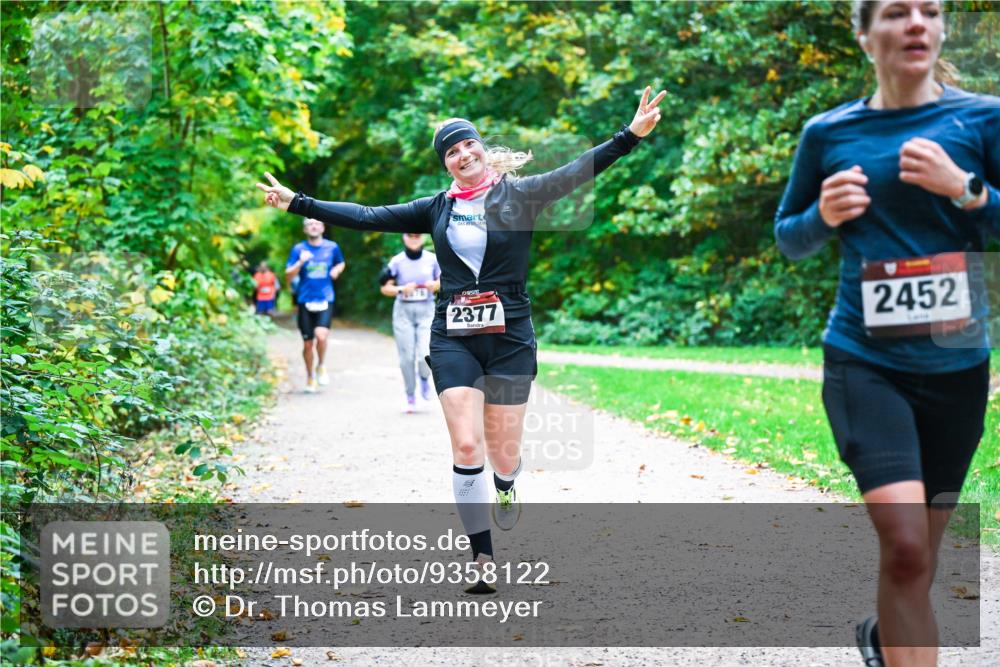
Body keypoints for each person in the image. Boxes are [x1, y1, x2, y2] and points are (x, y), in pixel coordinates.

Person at [258, 86, 664, 592]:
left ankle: (508, 485)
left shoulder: (522, 194)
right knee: (467, 443)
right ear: (446, 164)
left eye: (467, 144)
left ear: (481, 148)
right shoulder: (435, 209)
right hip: (453, 335)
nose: (462, 154)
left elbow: (578, 170)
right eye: (451, 151)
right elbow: (366, 215)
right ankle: (482, 558)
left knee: (504, 450)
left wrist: (630, 136)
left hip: (511, 333)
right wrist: (299, 202)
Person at [774, 1, 998, 665]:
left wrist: (968, 189)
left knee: (918, 560)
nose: (917, 23)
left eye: (930, 10)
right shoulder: (829, 131)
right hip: (864, 361)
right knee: (904, 545)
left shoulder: (983, 119)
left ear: (942, 29)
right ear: (864, 33)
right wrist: (822, 213)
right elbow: (790, 237)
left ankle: (883, 636)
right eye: (897, 12)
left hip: (956, 367)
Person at [379, 233, 441, 413]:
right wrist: (400, 289)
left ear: (422, 238)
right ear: (404, 238)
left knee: (425, 354)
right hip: (403, 312)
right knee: (406, 358)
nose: (414, 239)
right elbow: (384, 287)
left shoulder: (433, 259)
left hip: (426, 310)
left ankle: (423, 378)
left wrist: (435, 285)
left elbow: (445, 280)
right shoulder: (397, 261)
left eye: (417, 235)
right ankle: (410, 396)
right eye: (410, 236)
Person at [285, 218, 346, 393]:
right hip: (305, 300)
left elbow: (340, 262)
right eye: (309, 224)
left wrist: (337, 270)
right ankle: (310, 377)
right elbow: (288, 274)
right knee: (307, 344)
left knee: (321, 336)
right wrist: (300, 262)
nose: (313, 226)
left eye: (317, 223)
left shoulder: (332, 247)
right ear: (305, 229)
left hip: (325, 298)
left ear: (323, 227)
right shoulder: (298, 249)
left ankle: (321, 365)